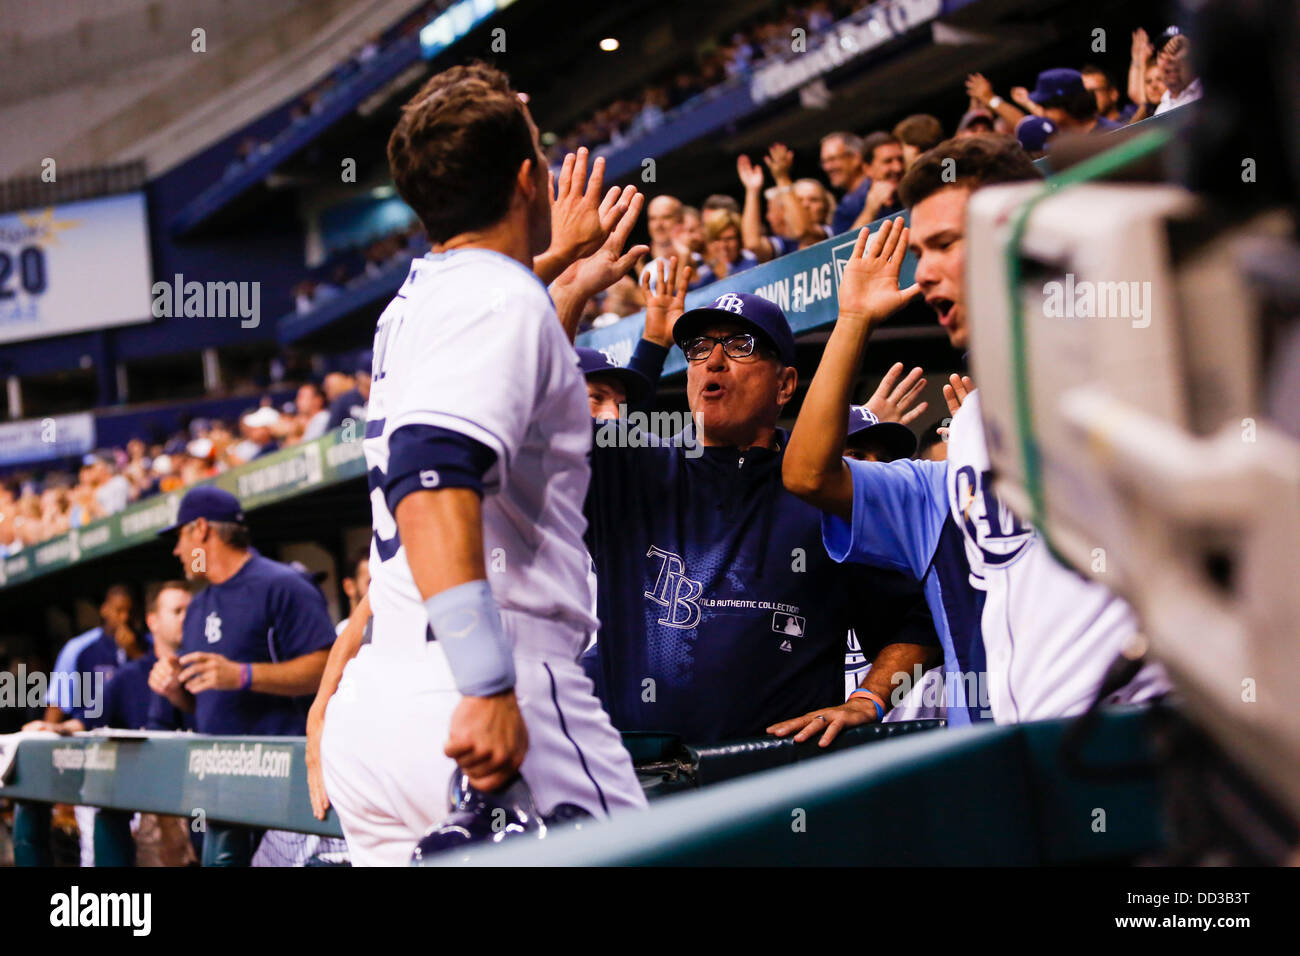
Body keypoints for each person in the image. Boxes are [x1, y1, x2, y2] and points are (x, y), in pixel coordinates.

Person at [312, 65, 647, 866]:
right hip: (488, 682)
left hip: (383, 709)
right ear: (529, 180)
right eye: (539, 148)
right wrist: (488, 682)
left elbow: (493, 335)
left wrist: (554, 260)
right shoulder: (497, 299)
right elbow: (430, 474)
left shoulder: (415, 303)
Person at [783, 134, 1169, 724]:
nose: (926, 272)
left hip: (1136, 737)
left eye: (944, 244)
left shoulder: (1129, 367)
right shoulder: (968, 431)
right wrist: (854, 318)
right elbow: (808, 474)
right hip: (1027, 755)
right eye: (920, 250)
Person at [550, 248, 942, 745]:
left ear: (784, 385)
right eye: (697, 349)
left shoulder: (823, 488)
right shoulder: (630, 464)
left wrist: (869, 700)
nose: (713, 360)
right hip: (642, 786)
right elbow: (537, 419)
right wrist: (566, 296)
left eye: (741, 346)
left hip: (775, 786)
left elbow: (920, 620)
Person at [150, 486, 335, 865]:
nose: (176, 551)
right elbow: (208, 698)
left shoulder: (281, 584)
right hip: (219, 780)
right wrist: (176, 693)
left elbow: (326, 668)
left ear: (201, 530)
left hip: (282, 779)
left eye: (180, 537)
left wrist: (243, 675)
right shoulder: (200, 603)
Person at [1026, 68, 1123, 135]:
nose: (1042, 113)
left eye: (1046, 106)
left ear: (1066, 104)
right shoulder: (1055, 144)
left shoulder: (1113, 133)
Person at [849, 132, 907, 229]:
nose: (898, 168)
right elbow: (844, 243)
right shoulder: (849, 206)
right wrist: (870, 211)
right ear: (868, 169)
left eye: (900, 159)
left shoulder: (914, 191)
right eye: (888, 161)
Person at [820, 131, 870, 234]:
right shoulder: (844, 206)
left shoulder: (883, 191)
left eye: (832, 159)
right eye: (824, 162)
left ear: (855, 158)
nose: (827, 167)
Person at [701, 209, 759, 280]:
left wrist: (725, 274)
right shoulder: (705, 274)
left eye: (729, 238)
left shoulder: (752, 265)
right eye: (717, 239)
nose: (723, 246)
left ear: (740, 240)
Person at [1153, 31, 1201, 115]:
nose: (1169, 59)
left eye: (1176, 51)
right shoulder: (1161, 109)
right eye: (1163, 53)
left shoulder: (1205, 91)